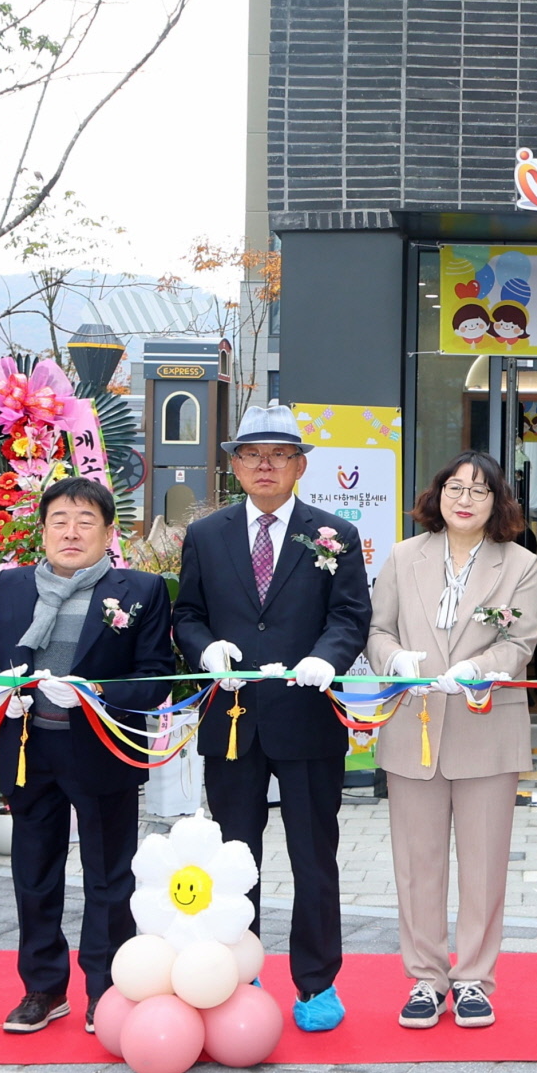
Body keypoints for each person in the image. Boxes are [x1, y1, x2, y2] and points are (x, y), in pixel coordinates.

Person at [173, 401, 371, 1033]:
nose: (265, 465)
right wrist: (205, 649)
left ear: (300, 466)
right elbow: (187, 614)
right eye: (252, 455)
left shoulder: (333, 532)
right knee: (236, 854)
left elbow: (350, 616)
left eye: (279, 455)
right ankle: (240, 970)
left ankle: (316, 984)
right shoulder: (207, 534)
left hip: (309, 716)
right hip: (231, 717)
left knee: (316, 856)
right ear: (234, 465)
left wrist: (325, 658)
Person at [0, 475, 173, 1034]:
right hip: (29, 747)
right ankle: (42, 988)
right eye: (59, 520)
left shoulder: (139, 590)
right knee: (34, 873)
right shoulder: (12, 587)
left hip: (102, 749)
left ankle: (105, 988)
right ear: (42, 530)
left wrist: (97, 693)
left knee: (109, 877)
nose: (71, 531)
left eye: (86, 521)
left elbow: (156, 678)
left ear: (109, 532)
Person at [363, 453, 537, 1030]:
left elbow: (522, 639)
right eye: (455, 487)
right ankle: (424, 978)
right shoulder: (402, 556)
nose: (465, 498)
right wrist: (395, 660)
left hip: (485, 724)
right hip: (413, 722)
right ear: (437, 495)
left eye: (480, 490)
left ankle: (474, 980)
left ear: (498, 504)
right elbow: (378, 629)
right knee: (418, 863)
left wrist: (481, 666)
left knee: (485, 862)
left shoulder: (517, 564)